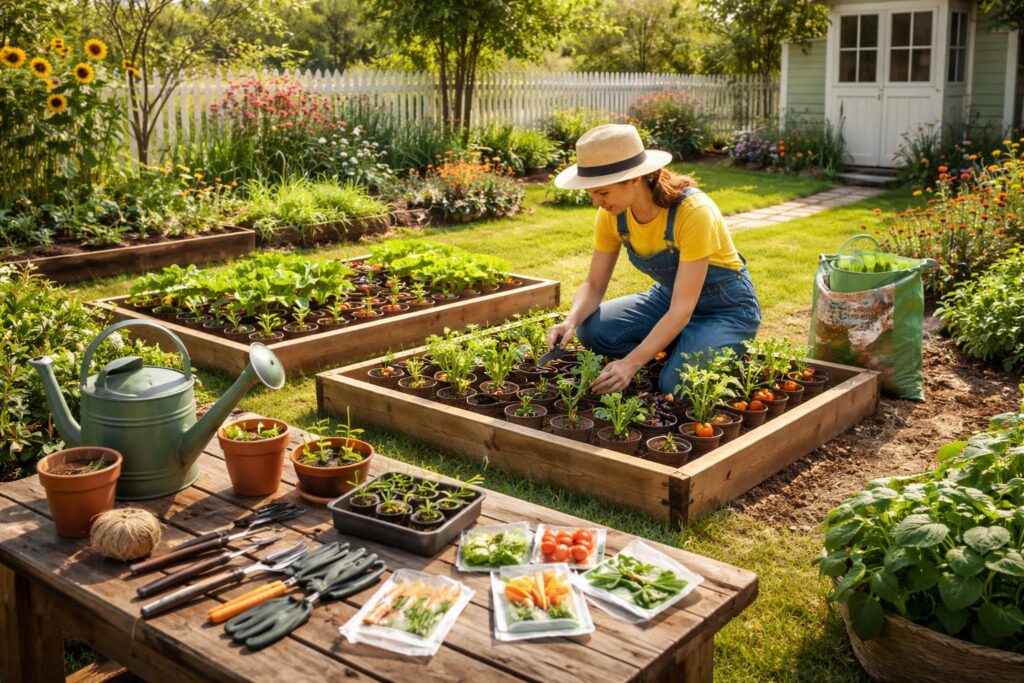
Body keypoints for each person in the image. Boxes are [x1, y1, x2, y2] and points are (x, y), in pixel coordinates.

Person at [546, 123, 761, 396]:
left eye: (602, 192)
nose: (596, 203)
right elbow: (594, 284)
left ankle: (709, 345)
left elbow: (683, 308)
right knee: (591, 330)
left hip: (725, 308)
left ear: (635, 178)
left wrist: (631, 364)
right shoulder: (613, 215)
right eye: (591, 194)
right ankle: (681, 344)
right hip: (668, 299)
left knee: (677, 387)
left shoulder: (693, 212)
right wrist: (570, 321)